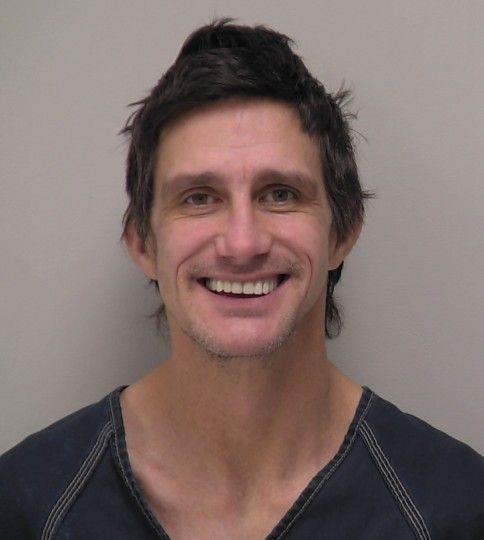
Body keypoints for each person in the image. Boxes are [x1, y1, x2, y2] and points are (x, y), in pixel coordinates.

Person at [1, 19, 483, 540]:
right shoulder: (28, 506)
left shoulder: (455, 509)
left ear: (342, 232)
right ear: (143, 244)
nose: (242, 243)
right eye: (199, 198)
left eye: (280, 194)